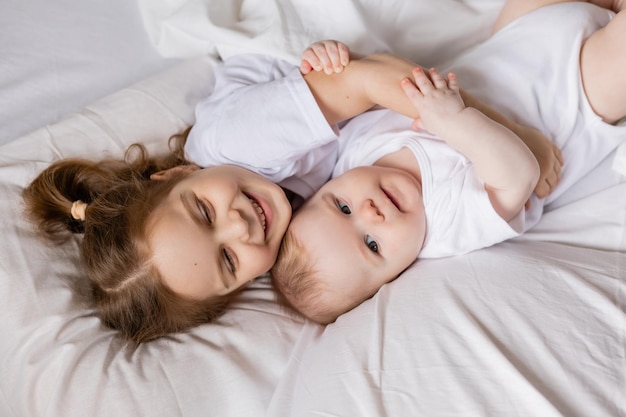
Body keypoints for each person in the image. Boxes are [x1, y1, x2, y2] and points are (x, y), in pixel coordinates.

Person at [21, 24, 560, 343]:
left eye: (203, 213)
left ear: (180, 172)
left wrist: (507, 133)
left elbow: (372, 78)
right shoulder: (297, 240)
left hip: (325, 57)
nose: (238, 227)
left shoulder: (238, 144)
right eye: (228, 261)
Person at [270, 0, 626, 324]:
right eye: (372, 245)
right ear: (395, 276)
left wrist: (336, 59)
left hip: (519, 36)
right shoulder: (447, 225)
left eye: (343, 207)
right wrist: (455, 123)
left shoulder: (353, 151)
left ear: (325, 186)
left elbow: (377, 74)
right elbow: (521, 175)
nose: (370, 213)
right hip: (577, 95)